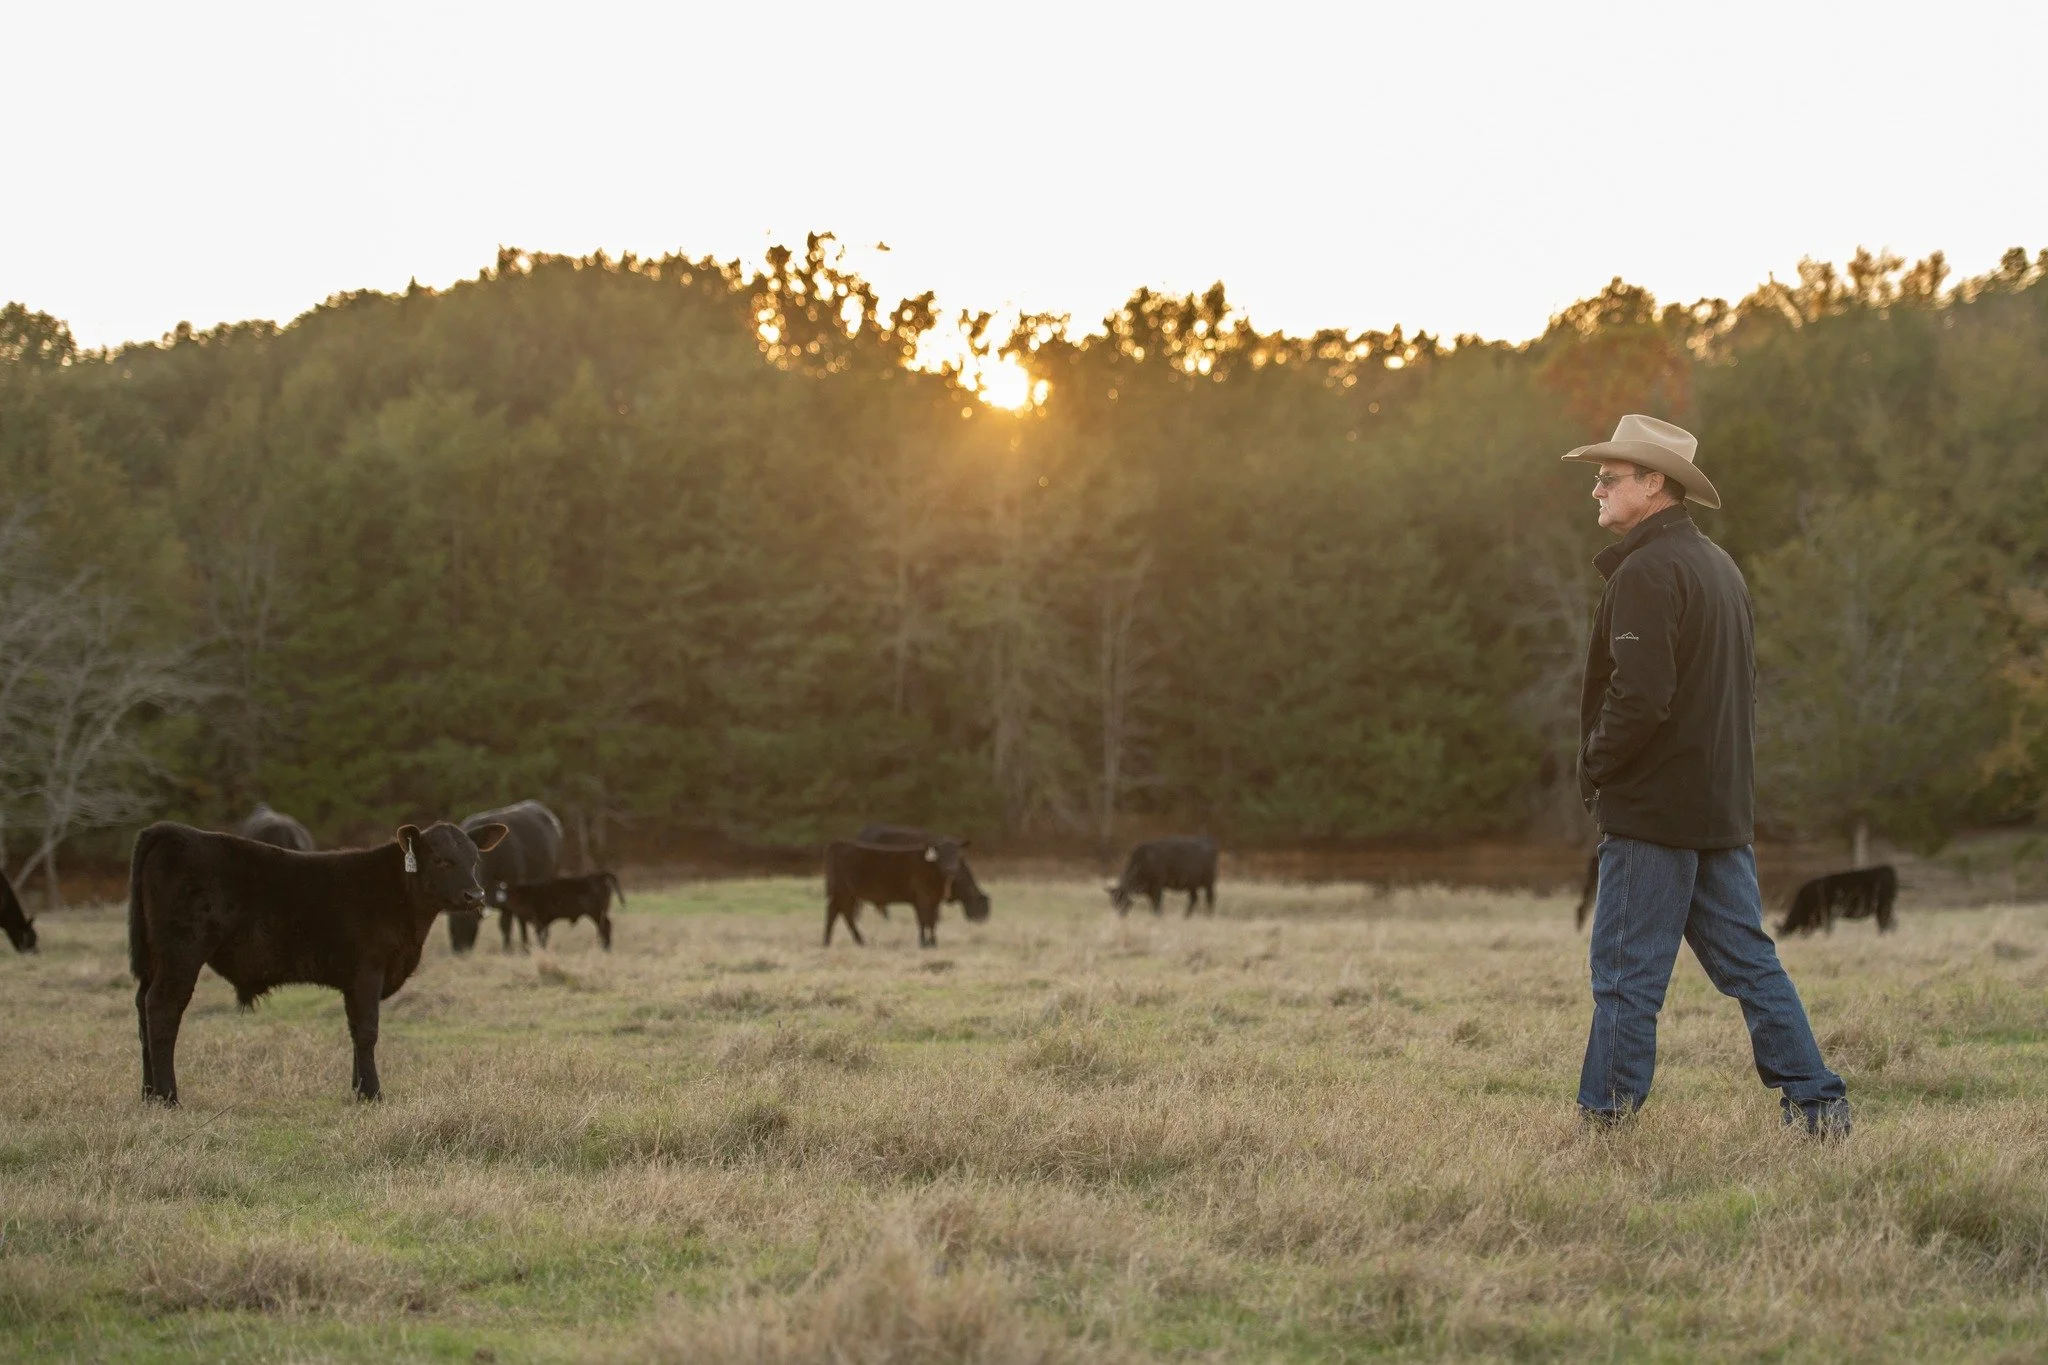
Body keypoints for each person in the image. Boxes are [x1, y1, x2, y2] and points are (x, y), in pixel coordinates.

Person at [1562, 414, 1849, 1136]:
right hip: (1719, 811)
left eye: (1609, 476)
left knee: (1627, 974)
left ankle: (1606, 1122)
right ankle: (1819, 1104)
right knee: (1750, 964)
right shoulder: (1719, 567)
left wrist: (1594, 765)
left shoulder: (1648, 570)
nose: (1595, 487)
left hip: (1656, 812)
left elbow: (1641, 696)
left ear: (1653, 483)